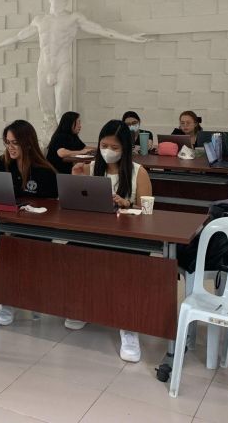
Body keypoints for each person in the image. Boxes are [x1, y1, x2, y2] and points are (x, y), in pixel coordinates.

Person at [0, 0, 148, 138]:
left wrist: (129, 37)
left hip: (62, 66)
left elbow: (101, 30)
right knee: (47, 113)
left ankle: (61, 141)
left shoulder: (73, 17)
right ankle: (49, 144)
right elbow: (19, 36)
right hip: (44, 67)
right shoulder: (39, 20)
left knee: (61, 113)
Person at [71, 119, 152, 362]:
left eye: (114, 147)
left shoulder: (139, 172)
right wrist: (75, 178)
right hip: (95, 232)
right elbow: (75, 204)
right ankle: (82, 307)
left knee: (128, 267)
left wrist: (128, 204)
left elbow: (148, 213)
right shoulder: (91, 167)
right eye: (104, 145)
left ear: (125, 148)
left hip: (129, 238)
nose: (108, 151)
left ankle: (129, 327)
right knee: (71, 252)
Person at [0, 120, 58, 326]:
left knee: (16, 250)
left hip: (35, 228)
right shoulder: (3, 163)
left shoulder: (44, 171)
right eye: (7, 142)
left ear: (27, 143)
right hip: (8, 223)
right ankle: (6, 300)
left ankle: (19, 299)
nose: (10, 147)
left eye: (14, 143)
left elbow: (54, 208)